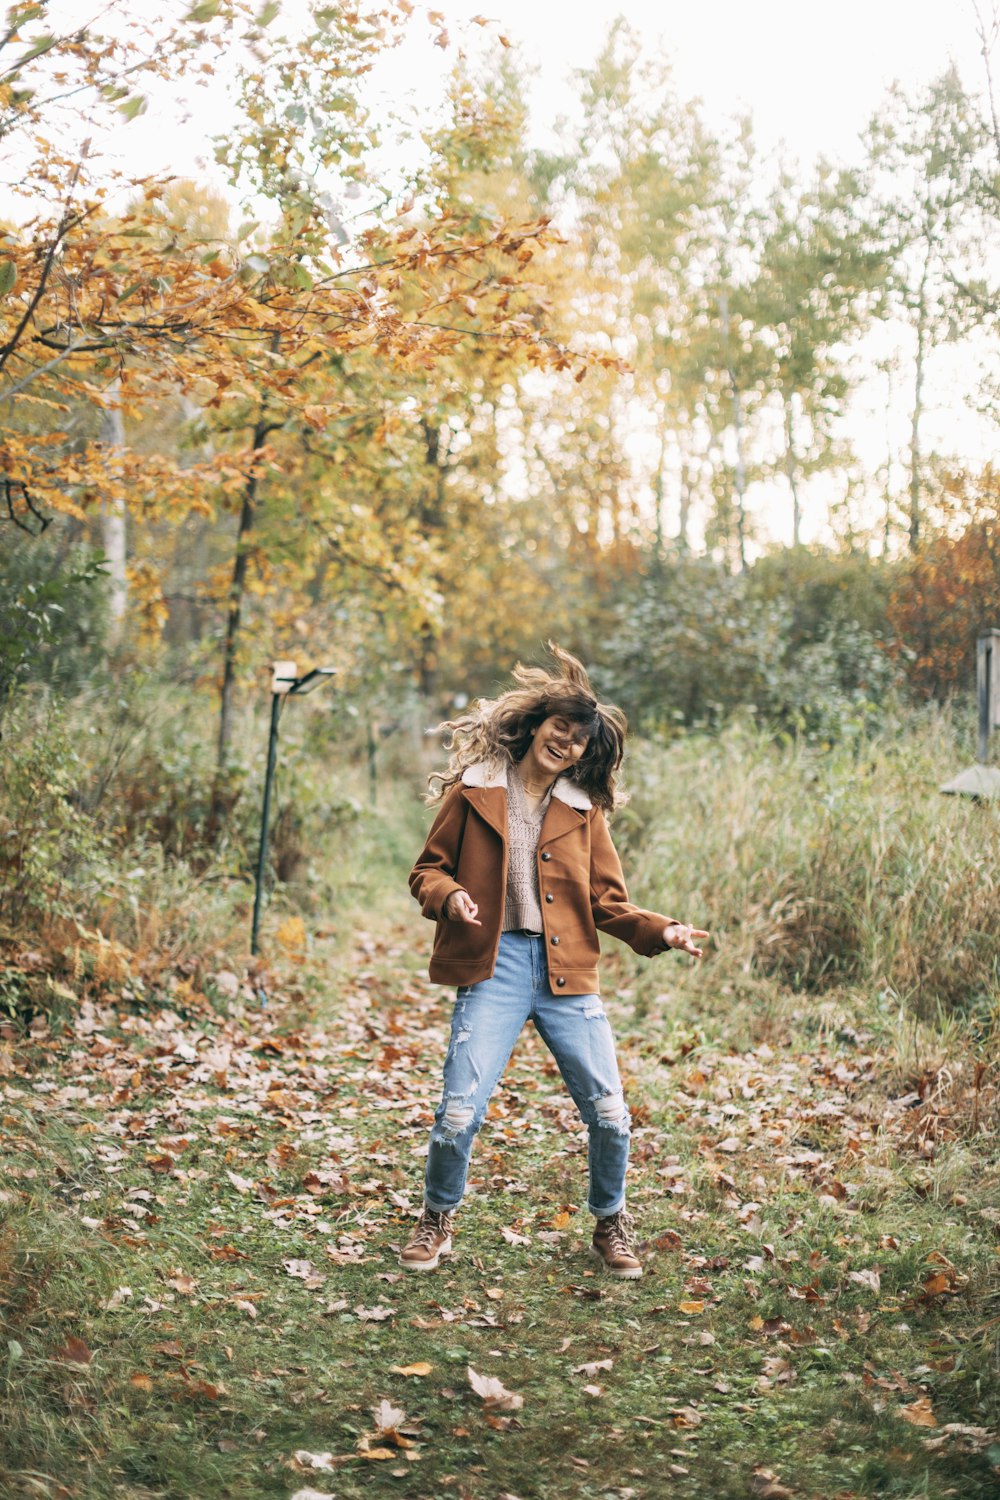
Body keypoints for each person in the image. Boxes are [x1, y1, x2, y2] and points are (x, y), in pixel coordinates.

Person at [401, 645, 707, 1278]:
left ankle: (611, 1221)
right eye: (558, 730)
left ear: (584, 752)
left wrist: (663, 930)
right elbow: (426, 869)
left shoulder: (582, 811)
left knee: (610, 1113)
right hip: (496, 968)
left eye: (576, 741)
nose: (564, 745)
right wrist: (449, 894)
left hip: (567, 974)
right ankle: (437, 1217)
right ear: (537, 727)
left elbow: (606, 902)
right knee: (459, 1108)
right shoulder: (474, 792)